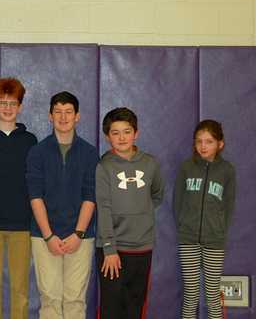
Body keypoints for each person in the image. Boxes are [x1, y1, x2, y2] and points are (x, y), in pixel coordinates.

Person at [25, 91, 98, 319]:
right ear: (50, 116)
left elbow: (91, 196)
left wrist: (78, 233)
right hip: (44, 236)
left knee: (75, 300)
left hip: (80, 236)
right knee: (50, 300)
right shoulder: (37, 152)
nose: (63, 117)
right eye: (58, 112)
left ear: (77, 116)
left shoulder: (89, 153)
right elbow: (35, 196)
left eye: (68, 112)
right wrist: (48, 236)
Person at [96, 107, 164, 319]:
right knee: (111, 308)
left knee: (135, 307)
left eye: (127, 131)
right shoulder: (104, 167)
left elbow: (157, 195)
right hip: (113, 250)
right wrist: (109, 249)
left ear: (136, 133)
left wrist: (139, 215)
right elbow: (103, 208)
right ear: (108, 137)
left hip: (142, 248)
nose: (122, 137)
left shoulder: (150, 163)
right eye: (115, 132)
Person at [0, 78, 37, 319]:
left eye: (13, 103)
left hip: (21, 225)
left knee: (20, 290)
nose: (8, 108)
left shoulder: (30, 141)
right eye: (3, 102)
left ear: (20, 106)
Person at [174, 120, 236, 319]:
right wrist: (184, 225)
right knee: (191, 294)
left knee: (212, 295)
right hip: (188, 240)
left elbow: (228, 205)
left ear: (220, 144)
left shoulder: (227, 170)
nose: (203, 146)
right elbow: (177, 201)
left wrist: (219, 232)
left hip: (214, 242)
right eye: (199, 141)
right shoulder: (186, 168)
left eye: (209, 141)